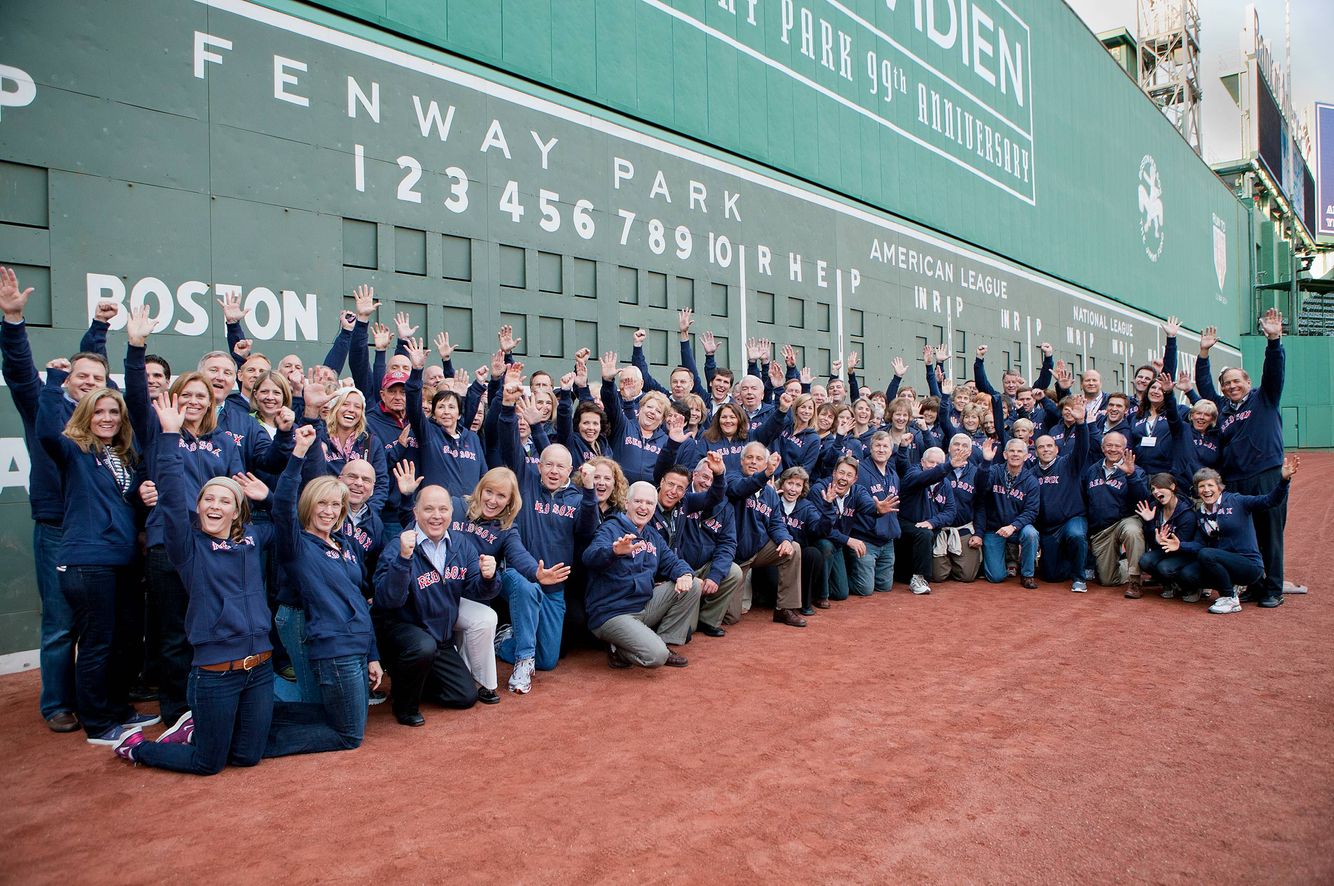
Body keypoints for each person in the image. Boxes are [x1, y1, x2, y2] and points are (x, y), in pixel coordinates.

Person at [112, 394, 276, 773]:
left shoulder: (251, 538)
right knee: (208, 763)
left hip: (260, 668)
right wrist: (169, 435)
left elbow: (289, 518)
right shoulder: (187, 544)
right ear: (198, 506)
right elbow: (170, 494)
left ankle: (197, 726)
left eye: (225, 501)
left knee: (248, 757)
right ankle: (138, 748)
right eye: (208, 500)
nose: (215, 506)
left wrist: (269, 493)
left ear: (237, 511)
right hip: (216, 671)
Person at [0, 266, 115, 732]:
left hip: (102, 534)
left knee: (99, 625)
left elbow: (94, 364)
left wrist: (100, 328)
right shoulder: (45, 408)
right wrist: (12, 322)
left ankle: (96, 694)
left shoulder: (109, 420)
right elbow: (22, 374)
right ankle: (56, 704)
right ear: (66, 378)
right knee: (61, 624)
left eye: (97, 377)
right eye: (81, 375)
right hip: (58, 527)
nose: (88, 381)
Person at [37, 377, 158, 744]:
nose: (107, 418)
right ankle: (98, 723)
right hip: (88, 561)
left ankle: (118, 709)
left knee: (124, 640)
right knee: (97, 642)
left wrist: (144, 495)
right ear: (85, 415)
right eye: (99, 412)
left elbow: (126, 507)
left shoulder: (123, 456)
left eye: (114, 413)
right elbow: (45, 433)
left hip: (122, 560)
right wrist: (52, 387)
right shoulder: (75, 450)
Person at [263, 425, 382, 757]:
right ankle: (252, 732)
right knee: (347, 733)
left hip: (356, 644)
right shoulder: (298, 545)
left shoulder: (346, 545)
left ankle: (258, 717)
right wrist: (298, 455)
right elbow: (283, 506)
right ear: (309, 505)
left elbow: (359, 600)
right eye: (322, 504)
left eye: (335, 505)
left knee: (333, 715)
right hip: (331, 644)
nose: (329, 511)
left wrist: (373, 655)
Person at [495, 387, 598, 694]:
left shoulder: (579, 497)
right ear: (538, 464)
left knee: (550, 660)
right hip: (518, 573)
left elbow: (587, 531)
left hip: (555, 584)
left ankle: (508, 640)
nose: (553, 471)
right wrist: (507, 408)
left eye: (560, 467)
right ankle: (521, 659)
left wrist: (591, 492)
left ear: (571, 470)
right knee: (526, 589)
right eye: (548, 464)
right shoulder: (525, 479)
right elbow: (507, 442)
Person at [372, 485, 499, 727]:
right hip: (402, 630)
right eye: (428, 509)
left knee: (464, 696)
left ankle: (414, 679)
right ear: (415, 512)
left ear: (452, 513)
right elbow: (387, 601)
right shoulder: (397, 547)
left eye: (443, 509)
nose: (436, 516)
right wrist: (403, 560)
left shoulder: (461, 545)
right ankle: (404, 705)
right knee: (422, 647)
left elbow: (478, 591)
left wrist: (489, 577)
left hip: (439, 636)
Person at [1194, 310, 1288, 607]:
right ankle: (1255, 584)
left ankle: (1273, 589)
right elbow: (1204, 388)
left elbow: (1274, 371)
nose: (1231, 386)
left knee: (1270, 532)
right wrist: (1204, 354)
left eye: (1236, 381)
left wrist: (1273, 341)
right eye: (1227, 384)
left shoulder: (1265, 397)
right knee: (1244, 536)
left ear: (1248, 382)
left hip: (1265, 473)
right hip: (1234, 480)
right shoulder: (1222, 408)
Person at [583, 481, 701, 669]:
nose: (643, 507)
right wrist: (614, 552)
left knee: (693, 584)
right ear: (626, 503)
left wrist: (685, 574)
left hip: (642, 606)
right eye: (638, 501)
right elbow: (589, 557)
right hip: (613, 613)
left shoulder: (652, 535)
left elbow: (673, 562)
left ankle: (665, 642)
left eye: (649, 503)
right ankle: (618, 649)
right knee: (656, 657)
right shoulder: (610, 528)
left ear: (655, 508)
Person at [1184, 458, 1297, 614]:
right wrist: (1179, 545)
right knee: (1189, 573)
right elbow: (1199, 543)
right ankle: (1231, 587)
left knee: (1206, 554)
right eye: (1201, 486)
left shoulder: (1236, 501)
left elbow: (1269, 501)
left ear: (1219, 487)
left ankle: (1229, 598)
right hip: (1226, 562)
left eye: (1210, 485)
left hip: (1249, 565)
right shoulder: (1201, 513)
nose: (1206, 490)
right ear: (1197, 490)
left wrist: (1284, 481)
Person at [725, 442, 807, 626]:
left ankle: (784, 609)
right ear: (741, 461)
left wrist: (785, 539)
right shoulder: (732, 479)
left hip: (759, 551)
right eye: (750, 457)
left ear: (765, 463)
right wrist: (766, 475)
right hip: (734, 559)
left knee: (793, 548)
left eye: (759, 459)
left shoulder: (770, 493)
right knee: (730, 617)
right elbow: (740, 489)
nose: (754, 462)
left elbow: (776, 524)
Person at [1032, 397, 1095, 591]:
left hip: (1072, 519)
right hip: (1048, 527)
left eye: (1049, 446)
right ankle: (1078, 559)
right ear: (1035, 451)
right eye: (1041, 447)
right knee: (1051, 576)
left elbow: (1082, 447)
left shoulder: (1068, 463)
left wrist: (1081, 423)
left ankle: (1080, 577)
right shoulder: (1031, 472)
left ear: (1057, 449)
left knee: (1076, 535)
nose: (1046, 449)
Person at [1082, 433, 1149, 595]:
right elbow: (1086, 501)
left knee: (1132, 531)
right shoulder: (1092, 470)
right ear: (1102, 448)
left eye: (1117, 446)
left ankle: (1135, 580)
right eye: (1109, 445)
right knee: (1107, 580)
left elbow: (1143, 498)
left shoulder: (1136, 470)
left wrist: (1131, 475)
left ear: (1124, 449)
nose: (1113, 449)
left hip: (1125, 520)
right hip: (1102, 529)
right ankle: (1126, 563)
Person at [974, 438, 1041, 587]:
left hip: (1019, 528)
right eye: (1012, 451)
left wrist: (1013, 526)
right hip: (995, 529)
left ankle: (1027, 575)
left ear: (1026, 456)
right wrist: (986, 462)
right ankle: (1007, 560)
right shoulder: (994, 471)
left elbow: (1031, 511)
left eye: (1019, 451)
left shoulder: (1031, 481)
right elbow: (980, 487)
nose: (1015, 454)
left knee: (1031, 533)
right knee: (995, 577)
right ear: (1005, 454)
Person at [897, 447, 957, 595]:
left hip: (928, 528)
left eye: (939, 463)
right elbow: (925, 478)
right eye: (931, 462)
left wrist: (933, 522)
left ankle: (920, 575)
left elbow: (950, 511)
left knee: (939, 575)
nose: (935, 466)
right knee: (923, 534)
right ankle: (918, 579)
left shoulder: (945, 483)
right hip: (905, 525)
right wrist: (947, 466)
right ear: (922, 462)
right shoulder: (913, 473)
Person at [774, 466, 831, 614]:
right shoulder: (772, 501)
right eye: (790, 483)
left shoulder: (807, 507)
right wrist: (770, 499)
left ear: (803, 488)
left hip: (797, 559)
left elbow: (819, 530)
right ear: (782, 484)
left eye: (798, 485)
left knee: (813, 553)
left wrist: (828, 508)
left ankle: (805, 603)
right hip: (774, 556)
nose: (793, 489)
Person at [1135, 474, 1200, 602]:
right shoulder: (1155, 508)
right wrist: (1149, 522)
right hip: (1165, 549)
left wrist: (1164, 541)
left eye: (1159, 487)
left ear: (1172, 487)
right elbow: (1153, 544)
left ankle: (1190, 587)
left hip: (1185, 554)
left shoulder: (1187, 514)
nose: (1155, 492)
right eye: (1153, 489)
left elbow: (1181, 545)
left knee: (1164, 567)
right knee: (1145, 560)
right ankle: (1168, 584)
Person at [932, 435, 984, 584]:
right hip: (939, 530)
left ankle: (953, 559)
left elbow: (980, 506)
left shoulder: (976, 473)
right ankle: (946, 560)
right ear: (948, 448)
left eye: (964, 446)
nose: (960, 448)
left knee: (967, 576)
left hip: (962, 529)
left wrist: (979, 533)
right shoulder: (938, 468)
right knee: (937, 577)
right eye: (956, 445)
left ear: (970, 451)